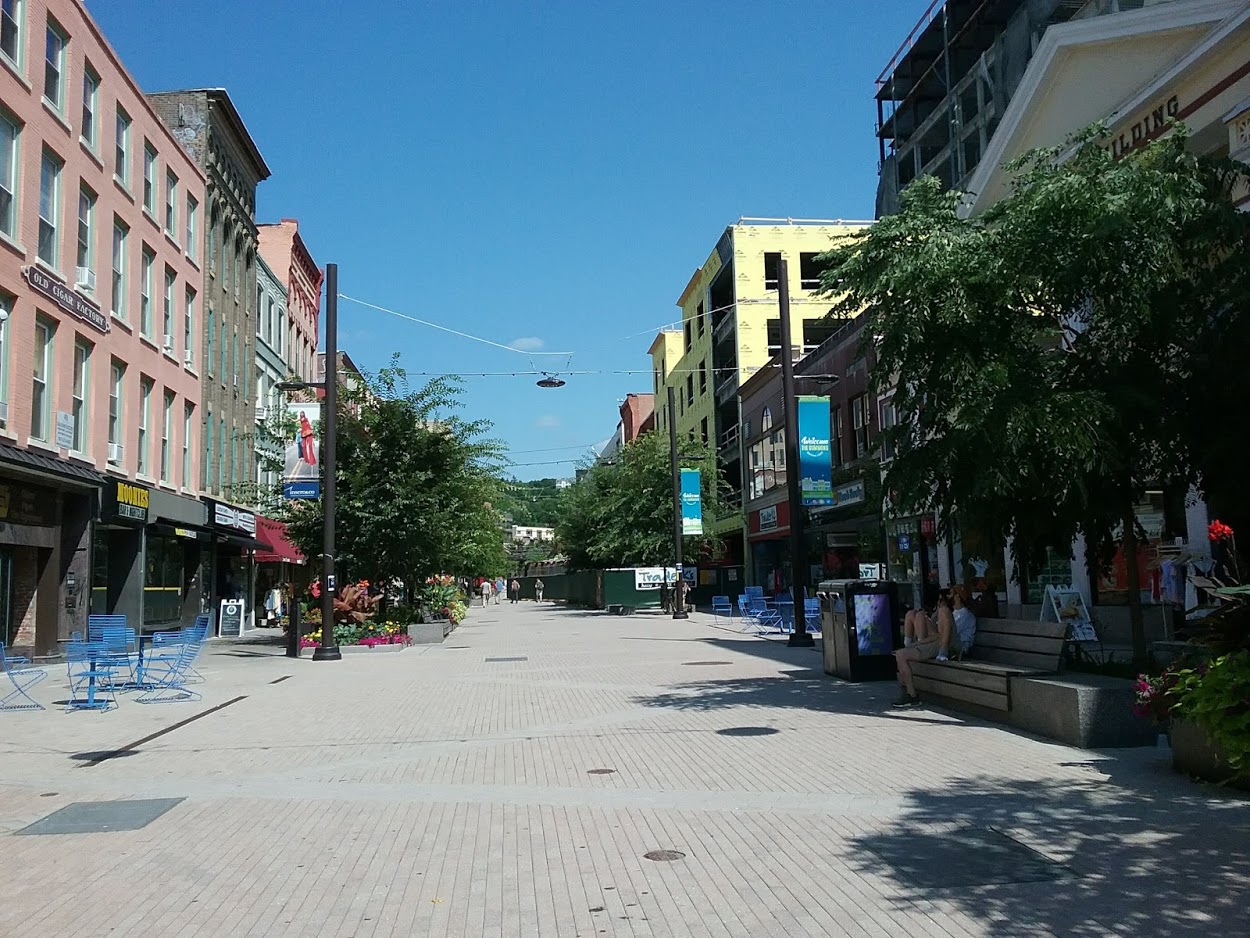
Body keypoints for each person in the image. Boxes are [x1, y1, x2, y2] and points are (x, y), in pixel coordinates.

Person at [892, 584, 977, 708]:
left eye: (949, 593)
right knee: (901, 653)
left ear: (957, 597)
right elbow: (938, 635)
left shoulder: (966, 615)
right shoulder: (948, 612)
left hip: (955, 647)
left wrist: (940, 613)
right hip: (938, 641)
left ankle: (942, 653)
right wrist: (915, 645)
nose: (945, 597)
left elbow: (945, 635)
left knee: (943, 610)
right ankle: (912, 695)